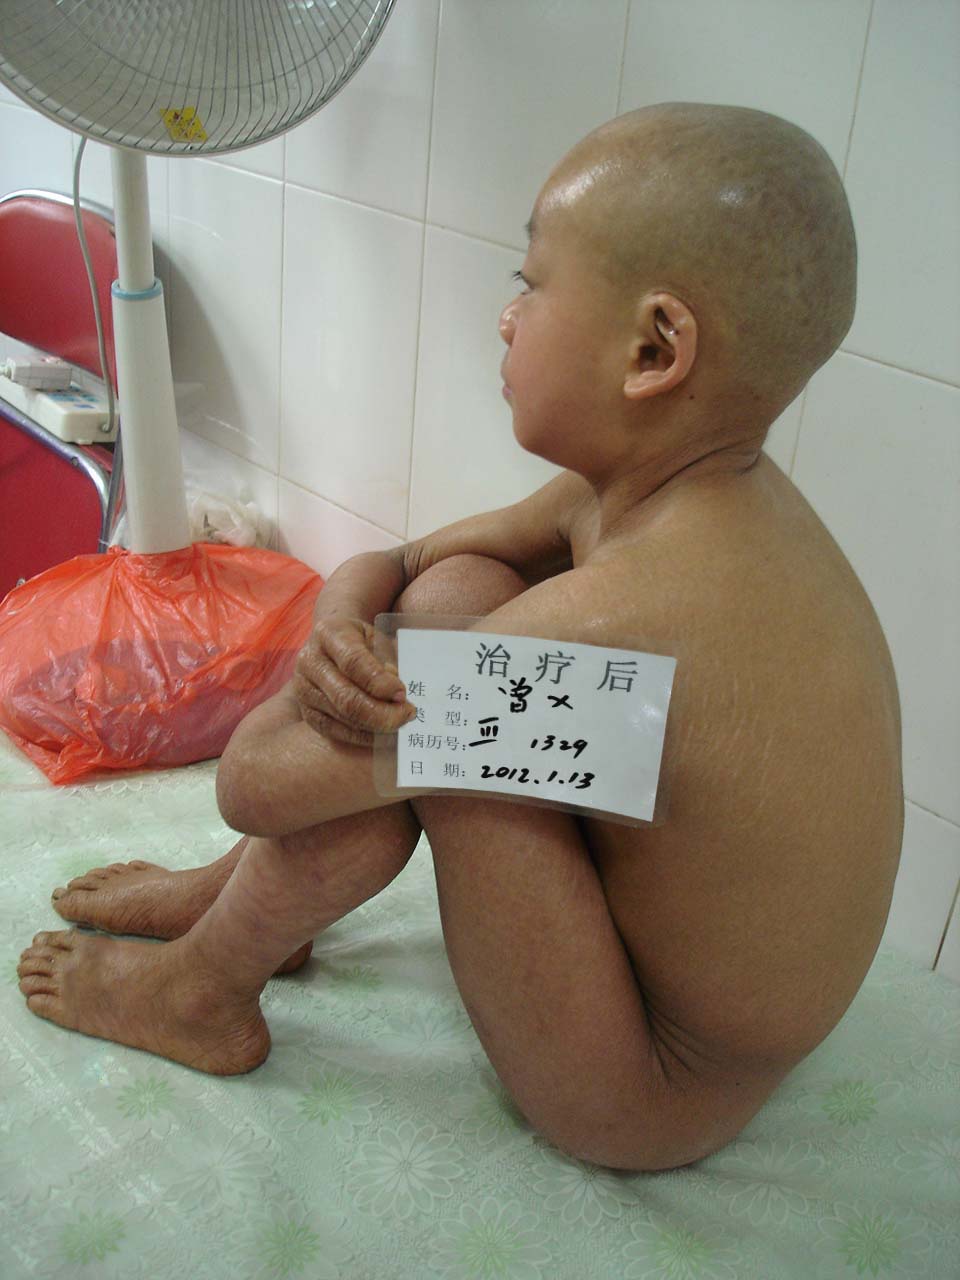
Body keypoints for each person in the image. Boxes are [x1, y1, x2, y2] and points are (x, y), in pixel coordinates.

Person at [18, 103, 903, 1172]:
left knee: (417, 740)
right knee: (453, 609)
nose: (506, 319)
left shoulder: (631, 615)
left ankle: (200, 989)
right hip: (701, 1012)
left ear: (653, 349)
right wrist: (340, 628)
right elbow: (405, 560)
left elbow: (252, 788)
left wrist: (339, 691)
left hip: (646, 1084)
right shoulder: (697, 503)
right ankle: (241, 906)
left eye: (531, 283)